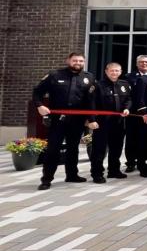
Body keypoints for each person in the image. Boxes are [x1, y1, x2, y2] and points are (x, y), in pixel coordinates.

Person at [33, 53, 98, 190]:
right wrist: (39, 105)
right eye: (75, 60)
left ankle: (72, 175)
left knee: (73, 148)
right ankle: (46, 179)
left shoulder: (89, 77)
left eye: (81, 61)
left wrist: (91, 119)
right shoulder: (54, 75)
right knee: (53, 149)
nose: (78, 63)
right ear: (68, 61)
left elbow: (90, 101)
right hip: (58, 120)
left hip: (77, 120)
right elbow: (37, 92)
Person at [91, 62, 132, 182]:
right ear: (106, 71)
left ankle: (114, 171)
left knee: (117, 148)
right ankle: (97, 173)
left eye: (117, 71)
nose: (114, 73)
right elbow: (91, 104)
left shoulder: (124, 84)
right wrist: (92, 120)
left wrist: (127, 108)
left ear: (120, 72)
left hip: (118, 122)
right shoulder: (98, 85)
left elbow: (129, 99)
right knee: (99, 149)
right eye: (112, 71)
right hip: (102, 123)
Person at [124, 54, 147, 173]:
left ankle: (143, 160)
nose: (144, 64)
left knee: (144, 139)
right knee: (131, 139)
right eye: (141, 62)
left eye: (146, 62)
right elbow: (127, 95)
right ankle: (130, 162)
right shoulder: (129, 77)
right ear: (136, 63)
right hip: (133, 114)